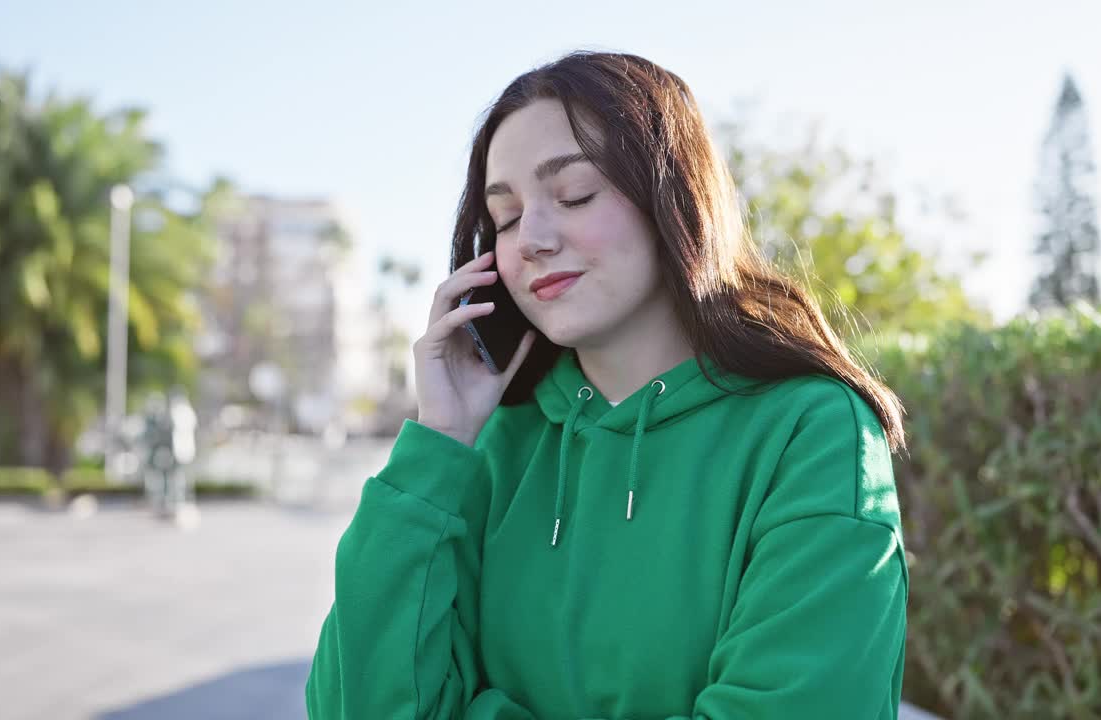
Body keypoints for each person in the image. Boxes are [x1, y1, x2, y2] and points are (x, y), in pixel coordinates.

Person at [306, 50, 909, 719]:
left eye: (575, 194)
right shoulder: (492, 449)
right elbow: (353, 705)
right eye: (504, 217)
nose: (530, 239)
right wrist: (437, 446)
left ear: (673, 198)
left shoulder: (813, 432)